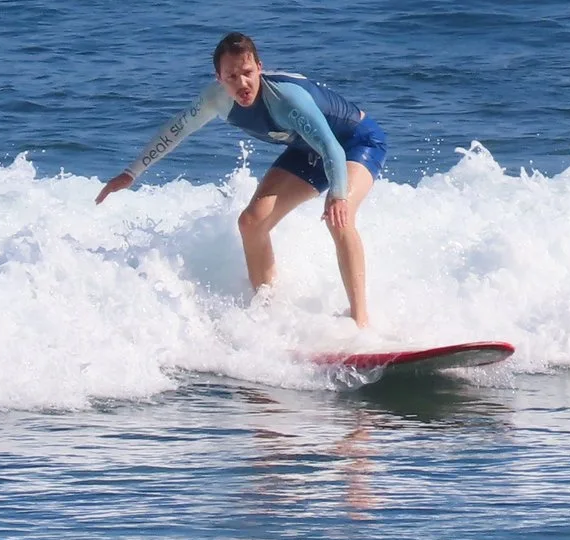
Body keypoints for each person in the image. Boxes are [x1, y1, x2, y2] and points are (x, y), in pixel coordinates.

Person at [98, 33, 386, 327]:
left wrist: (338, 196)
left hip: (356, 143)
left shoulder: (287, 100)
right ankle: (268, 314)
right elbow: (177, 129)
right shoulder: (217, 99)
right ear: (219, 78)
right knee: (251, 222)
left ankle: (360, 322)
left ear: (259, 67)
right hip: (306, 150)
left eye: (247, 72)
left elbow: (331, 147)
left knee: (339, 217)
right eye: (231, 76)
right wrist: (131, 173)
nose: (242, 83)